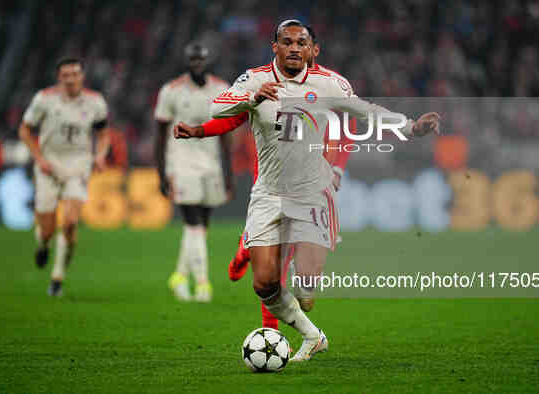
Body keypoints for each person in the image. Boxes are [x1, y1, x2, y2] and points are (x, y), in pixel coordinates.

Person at [175, 20, 440, 361]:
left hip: (313, 195)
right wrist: (250, 99)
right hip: (268, 194)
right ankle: (313, 337)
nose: (295, 48)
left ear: (314, 50)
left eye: (302, 42)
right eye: (287, 42)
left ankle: (288, 287)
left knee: (306, 292)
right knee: (264, 284)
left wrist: (411, 127)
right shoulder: (255, 79)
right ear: (275, 47)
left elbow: (365, 112)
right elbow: (217, 108)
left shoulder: (329, 84)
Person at [19, 57, 110, 296]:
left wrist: (100, 155)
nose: (70, 79)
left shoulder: (95, 102)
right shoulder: (44, 99)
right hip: (49, 166)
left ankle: (57, 277)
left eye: (75, 74)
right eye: (65, 75)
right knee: (47, 229)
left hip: (78, 166)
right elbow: (25, 130)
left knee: (69, 224)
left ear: (82, 76)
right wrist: (39, 159)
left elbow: (103, 134)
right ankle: (43, 243)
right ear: (59, 78)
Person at [154, 43, 234, 302]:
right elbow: (159, 134)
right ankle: (202, 285)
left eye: (201, 59)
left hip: (210, 163)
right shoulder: (171, 91)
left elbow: (226, 133)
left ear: (208, 60)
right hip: (181, 161)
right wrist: (161, 172)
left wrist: (228, 172)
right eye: (193, 59)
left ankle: (179, 275)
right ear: (187, 61)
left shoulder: (222, 89)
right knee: (193, 223)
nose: (197, 63)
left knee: (201, 226)